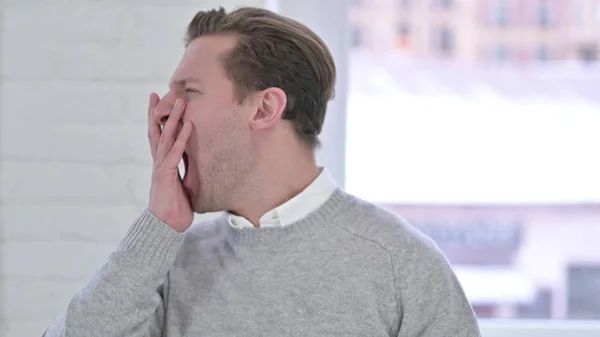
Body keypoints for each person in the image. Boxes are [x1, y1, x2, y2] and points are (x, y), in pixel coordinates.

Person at [42, 6, 480, 337]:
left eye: (189, 92)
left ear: (265, 108)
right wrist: (157, 228)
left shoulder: (400, 265)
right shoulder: (168, 263)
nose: (163, 112)